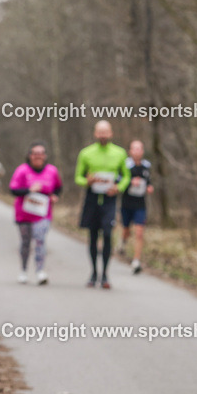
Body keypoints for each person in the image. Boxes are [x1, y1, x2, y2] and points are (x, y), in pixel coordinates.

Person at [74, 121, 130, 289]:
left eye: (105, 132)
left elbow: (126, 176)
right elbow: (78, 177)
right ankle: (93, 273)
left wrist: (118, 188)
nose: (103, 135)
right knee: (92, 236)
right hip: (92, 198)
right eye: (100, 132)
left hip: (109, 199)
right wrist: (87, 181)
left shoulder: (120, 153)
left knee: (107, 234)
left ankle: (105, 274)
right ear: (95, 134)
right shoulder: (86, 153)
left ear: (111, 133)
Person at [8, 142, 62, 285]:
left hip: (43, 214)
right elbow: (13, 190)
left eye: (41, 153)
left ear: (45, 156)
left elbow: (58, 187)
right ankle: (23, 271)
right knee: (26, 243)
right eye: (35, 153)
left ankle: (40, 271)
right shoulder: (22, 170)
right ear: (30, 155)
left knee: (40, 240)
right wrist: (29, 190)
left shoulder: (52, 171)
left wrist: (55, 196)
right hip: (24, 214)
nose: (38, 156)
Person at [119, 139, 153, 274]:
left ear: (142, 151)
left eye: (140, 149)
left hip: (140, 204)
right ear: (130, 151)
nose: (137, 151)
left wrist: (149, 187)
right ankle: (122, 242)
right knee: (126, 230)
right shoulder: (125, 165)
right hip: (126, 203)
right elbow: (119, 180)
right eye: (135, 148)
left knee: (139, 233)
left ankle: (136, 261)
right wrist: (130, 182)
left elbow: (149, 182)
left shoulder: (146, 166)